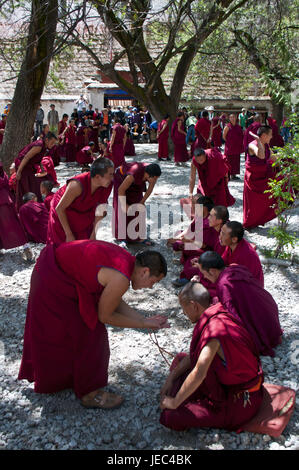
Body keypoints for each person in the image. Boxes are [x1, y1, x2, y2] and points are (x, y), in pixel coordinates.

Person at [18, 241, 169, 407]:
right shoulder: (122, 277)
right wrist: (143, 324)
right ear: (145, 272)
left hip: (54, 269)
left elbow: (114, 299)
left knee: (75, 331)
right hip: (53, 280)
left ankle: (67, 378)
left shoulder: (126, 262)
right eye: (154, 282)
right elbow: (105, 316)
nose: (150, 287)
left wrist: (144, 320)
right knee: (92, 335)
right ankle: (89, 394)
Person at [160, 282, 264, 431]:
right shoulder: (217, 310)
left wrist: (175, 402)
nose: (184, 314)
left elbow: (199, 372)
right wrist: (171, 378)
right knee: (179, 371)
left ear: (194, 305)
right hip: (225, 382)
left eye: (184, 310)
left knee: (170, 417)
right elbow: (196, 355)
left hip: (241, 399)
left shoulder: (215, 331)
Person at [197, 252, 283, 357]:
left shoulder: (224, 285)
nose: (204, 277)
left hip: (265, 331)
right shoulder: (233, 269)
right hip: (272, 317)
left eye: (204, 274)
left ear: (212, 271)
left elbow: (233, 317)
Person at [47, 157, 114, 246]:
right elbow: (59, 208)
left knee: (86, 242)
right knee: (63, 244)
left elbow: (101, 210)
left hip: (84, 210)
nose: (112, 178)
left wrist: (94, 233)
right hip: (63, 209)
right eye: (110, 174)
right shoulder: (77, 185)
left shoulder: (107, 184)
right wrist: (69, 234)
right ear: (98, 177)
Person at [113, 162, 161, 244]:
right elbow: (121, 190)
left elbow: (150, 189)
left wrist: (142, 202)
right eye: (154, 179)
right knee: (123, 209)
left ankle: (138, 237)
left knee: (138, 207)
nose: (155, 181)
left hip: (137, 182)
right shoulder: (134, 174)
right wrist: (125, 205)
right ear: (148, 175)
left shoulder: (153, 174)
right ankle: (123, 237)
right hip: (121, 178)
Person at [243, 125, 278, 229]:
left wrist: (288, 157)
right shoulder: (252, 145)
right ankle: (249, 223)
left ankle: (258, 220)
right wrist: (258, 140)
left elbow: (274, 158)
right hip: (253, 179)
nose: (271, 137)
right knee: (253, 203)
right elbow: (261, 156)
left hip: (263, 177)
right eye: (270, 135)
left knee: (262, 202)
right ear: (263, 135)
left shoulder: (267, 145)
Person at [14, 132, 57, 210]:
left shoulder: (44, 147)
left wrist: (43, 170)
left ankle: (34, 206)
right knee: (26, 186)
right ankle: (27, 208)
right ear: (46, 140)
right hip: (23, 165)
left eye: (54, 143)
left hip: (29, 167)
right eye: (52, 142)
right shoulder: (39, 145)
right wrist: (19, 172)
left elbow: (38, 159)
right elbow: (26, 157)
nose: (53, 144)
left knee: (33, 185)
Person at [0, 162, 33, 260]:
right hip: (6, 199)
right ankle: (26, 247)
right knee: (13, 224)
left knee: (11, 225)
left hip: (3, 201)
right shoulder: (4, 175)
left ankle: (26, 248)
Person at [219, 221, 264, 286]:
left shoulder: (245, 254)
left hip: (250, 287)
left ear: (234, 239)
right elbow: (222, 262)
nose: (220, 237)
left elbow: (244, 280)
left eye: (223, 234)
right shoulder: (231, 245)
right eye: (221, 232)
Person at [223, 113, 244, 179]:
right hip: (230, 147)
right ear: (229, 119)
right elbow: (224, 136)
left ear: (236, 118)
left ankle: (234, 174)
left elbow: (241, 136)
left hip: (236, 147)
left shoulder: (238, 127)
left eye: (234, 117)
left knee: (236, 160)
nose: (232, 119)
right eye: (231, 117)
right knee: (229, 160)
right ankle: (228, 175)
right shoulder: (227, 127)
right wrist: (229, 142)